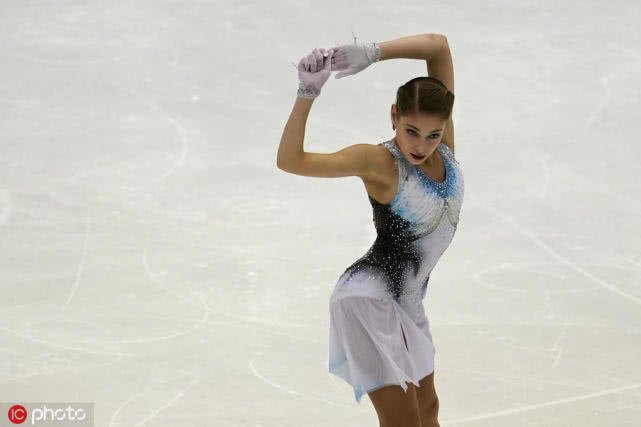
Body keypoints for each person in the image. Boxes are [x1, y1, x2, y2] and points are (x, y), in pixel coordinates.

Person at [277, 32, 462, 427]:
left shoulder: (444, 149)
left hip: (408, 299)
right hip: (367, 300)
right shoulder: (380, 162)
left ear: (445, 126)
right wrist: (307, 94)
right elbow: (291, 160)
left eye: (432, 134)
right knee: (403, 422)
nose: (421, 145)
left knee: (428, 410)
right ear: (394, 116)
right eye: (411, 131)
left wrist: (375, 53)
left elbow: (438, 46)